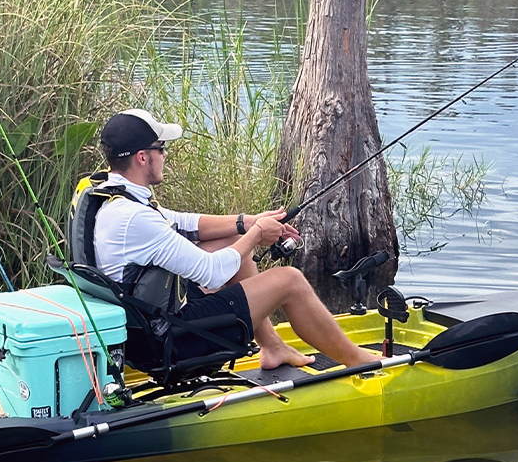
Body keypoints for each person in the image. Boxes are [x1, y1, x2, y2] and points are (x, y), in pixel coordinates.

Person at [94, 108, 378, 370]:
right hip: (166, 340)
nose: (165, 155)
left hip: (144, 327)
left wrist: (246, 223)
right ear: (143, 157)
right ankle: (359, 361)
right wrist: (256, 235)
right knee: (289, 280)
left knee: (232, 243)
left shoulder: (112, 198)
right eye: (161, 148)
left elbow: (183, 221)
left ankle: (273, 347)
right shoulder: (135, 219)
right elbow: (213, 273)